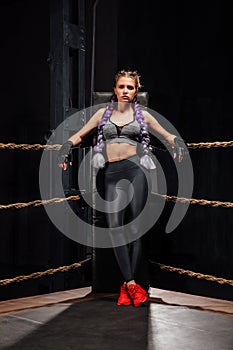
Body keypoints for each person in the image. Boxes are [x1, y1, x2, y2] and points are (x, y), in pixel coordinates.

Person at [58, 70, 186, 307]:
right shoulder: (101, 114)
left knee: (135, 229)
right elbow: (78, 136)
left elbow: (167, 135)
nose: (126, 91)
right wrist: (66, 147)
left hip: (136, 172)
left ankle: (130, 287)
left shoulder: (143, 116)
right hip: (110, 174)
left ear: (136, 91)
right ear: (115, 89)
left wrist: (176, 143)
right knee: (116, 228)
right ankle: (130, 283)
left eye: (131, 87)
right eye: (122, 87)